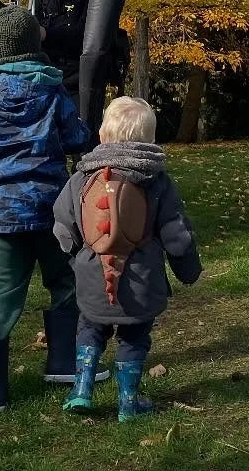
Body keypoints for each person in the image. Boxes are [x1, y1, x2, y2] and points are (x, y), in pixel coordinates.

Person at [0, 4, 93, 412]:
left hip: (0, 214)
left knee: (2, 293)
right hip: (51, 209)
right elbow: (77, 137)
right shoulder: (51, 89)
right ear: (33, 46)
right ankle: (62, 362)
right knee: (65, 281)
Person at [53, 96, 201, 421]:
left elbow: (63, 227)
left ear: (103, 135)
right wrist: (188, 270)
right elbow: (177, 234)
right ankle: (128, 403)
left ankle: (81, 389)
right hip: (141, 284)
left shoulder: (81, 179)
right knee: (135, 337)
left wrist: (72, 257)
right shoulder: (156, 182)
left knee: (90, 328)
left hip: (92, 280)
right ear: (148, 140)